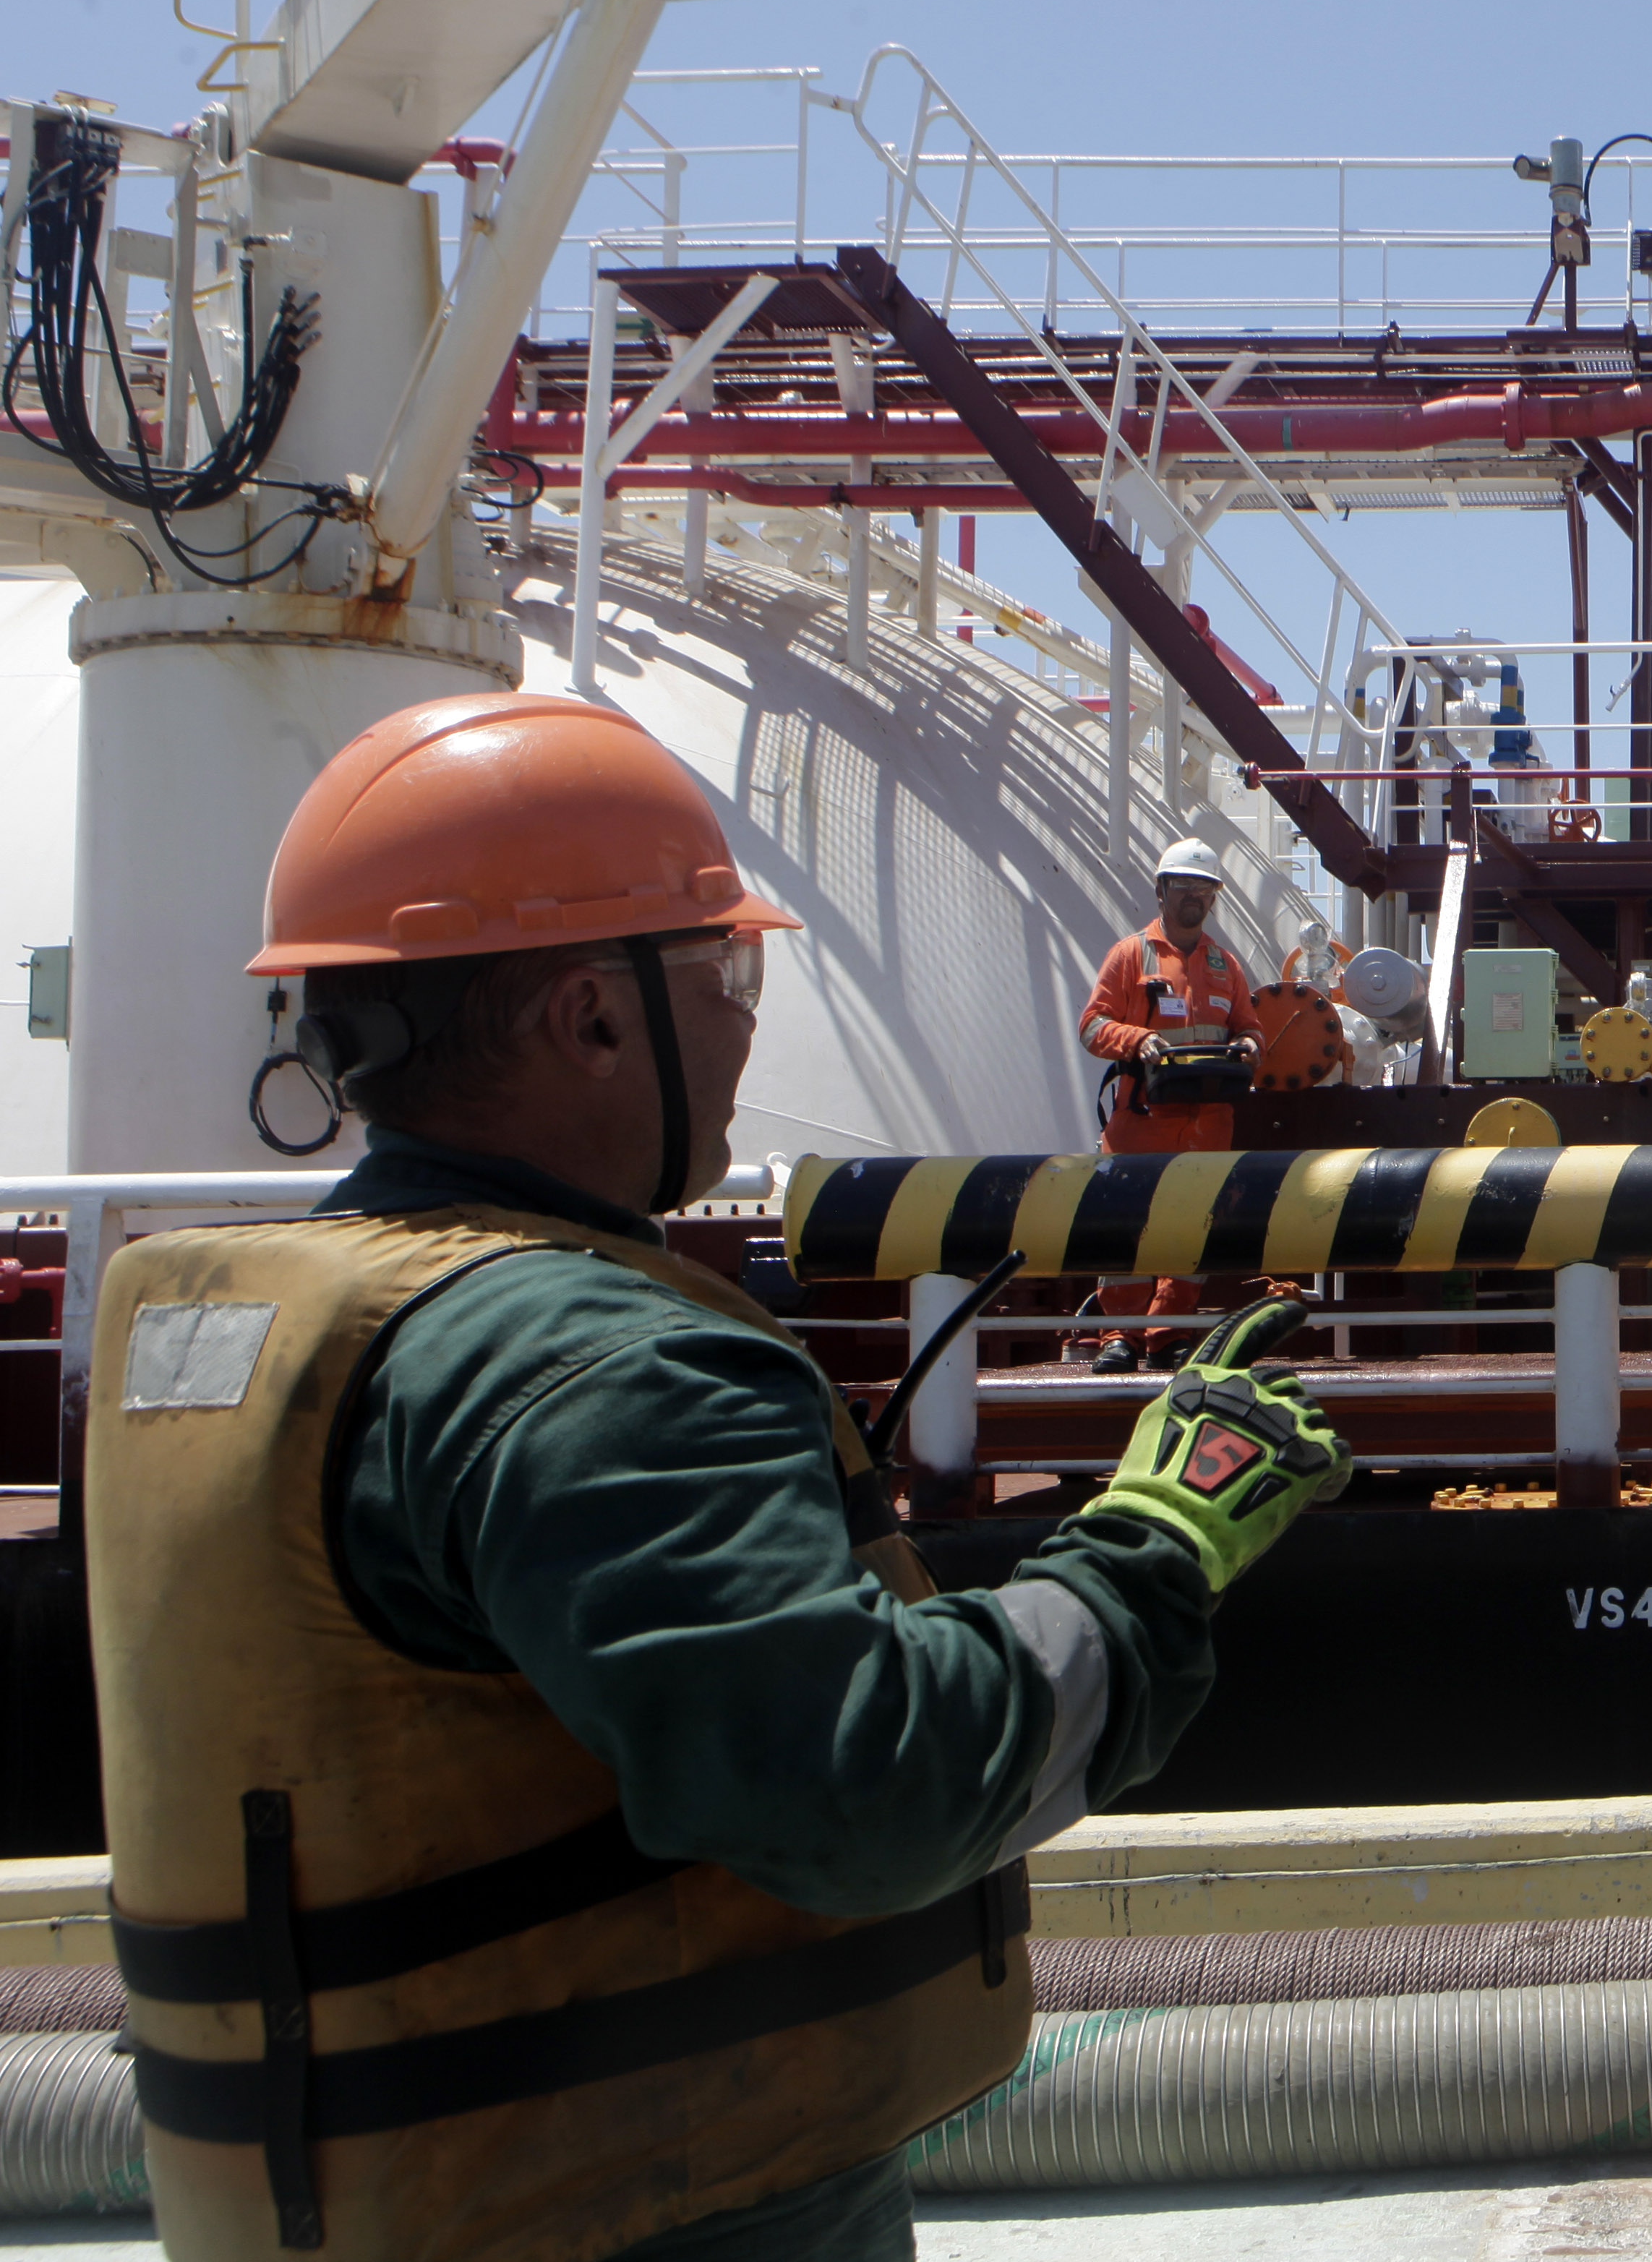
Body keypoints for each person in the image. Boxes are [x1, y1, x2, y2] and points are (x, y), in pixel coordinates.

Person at [84, 693, 1351, 2262]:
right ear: (591, 1020)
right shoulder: (600, 1368)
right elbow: (866, 1788)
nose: (749, 1018)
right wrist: (1153, 1547)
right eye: (726, 972)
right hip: (642, 2210)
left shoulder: (262, 1326)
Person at [1079, 837, 1264, 1371]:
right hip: (1142, 1123)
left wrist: (1251, 1045)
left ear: (1214, 899)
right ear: (1161, 891)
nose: (1194, 898)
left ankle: (1167, 1333)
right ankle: (1122, 1336)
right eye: (1184, 886)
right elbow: (1092, 1026)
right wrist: (1136, 1040)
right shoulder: (1130, 956)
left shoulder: (1225, 965)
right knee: (1127, 1228)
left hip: (1208, 1127)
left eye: (1204, 889)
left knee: (1191, 1229)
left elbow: (1249, 1026)